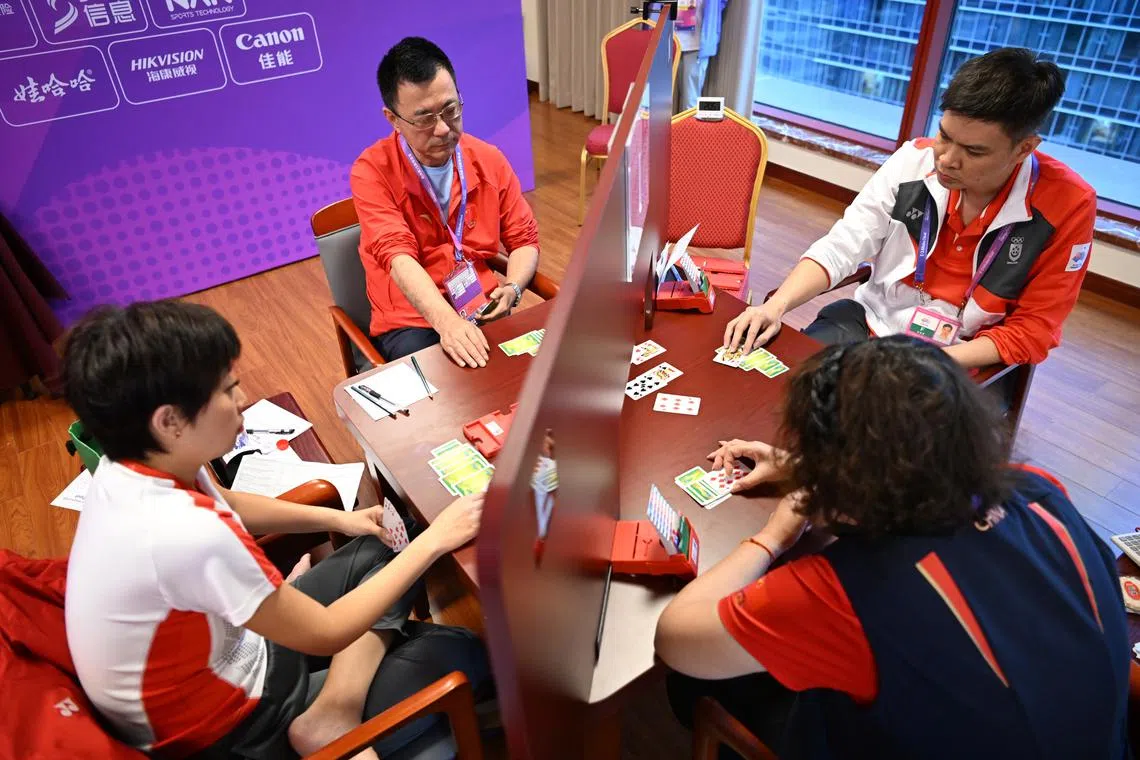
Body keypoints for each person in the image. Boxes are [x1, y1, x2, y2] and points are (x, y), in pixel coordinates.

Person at [655, 336, 1129, 759]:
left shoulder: (850, 594)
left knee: (691, 685)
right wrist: (809, 469)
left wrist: (772, 537)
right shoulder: (1038, 490)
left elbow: (676, 639)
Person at [62, 300, 491, 759]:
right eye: (229, 391)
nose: (242, 400)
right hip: (238, 727)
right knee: (465, 651)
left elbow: (227, 502)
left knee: (384, 542)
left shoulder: (134, 460)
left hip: (238, 647)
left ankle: (335, 707)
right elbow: (325, 632)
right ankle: (327, 721)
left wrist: (340, 519)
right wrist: (433, 542)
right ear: (169, 421)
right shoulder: (180, 532)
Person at [724, 48, 1096, 370]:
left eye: (974, 151)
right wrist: (777, 306)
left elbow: (1034, 330)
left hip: (961, 354)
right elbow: (844, 244)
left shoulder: (1068, 204)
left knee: (875, 434)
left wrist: (927, 362)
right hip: (873, 321)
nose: (947, 160)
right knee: (789, 388)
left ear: (1024, 148)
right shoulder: (913, 160)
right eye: (945, 136)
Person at [352, 37, 541, 368]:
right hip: (411, 317)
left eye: (451, 110)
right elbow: (397, 257)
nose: (442, 129)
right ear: (393, 118)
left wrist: (512, 287)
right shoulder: (372, 171)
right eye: (424, 118)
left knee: (520, 378)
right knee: (447, 398)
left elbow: (524, 239)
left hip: (479, 301)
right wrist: (447, 323)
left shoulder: (488, 159)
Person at [676, 0, 729, 111]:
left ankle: (689, 128)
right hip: (669, 39)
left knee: (690, 101)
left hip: (696, 43)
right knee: (661, 98)